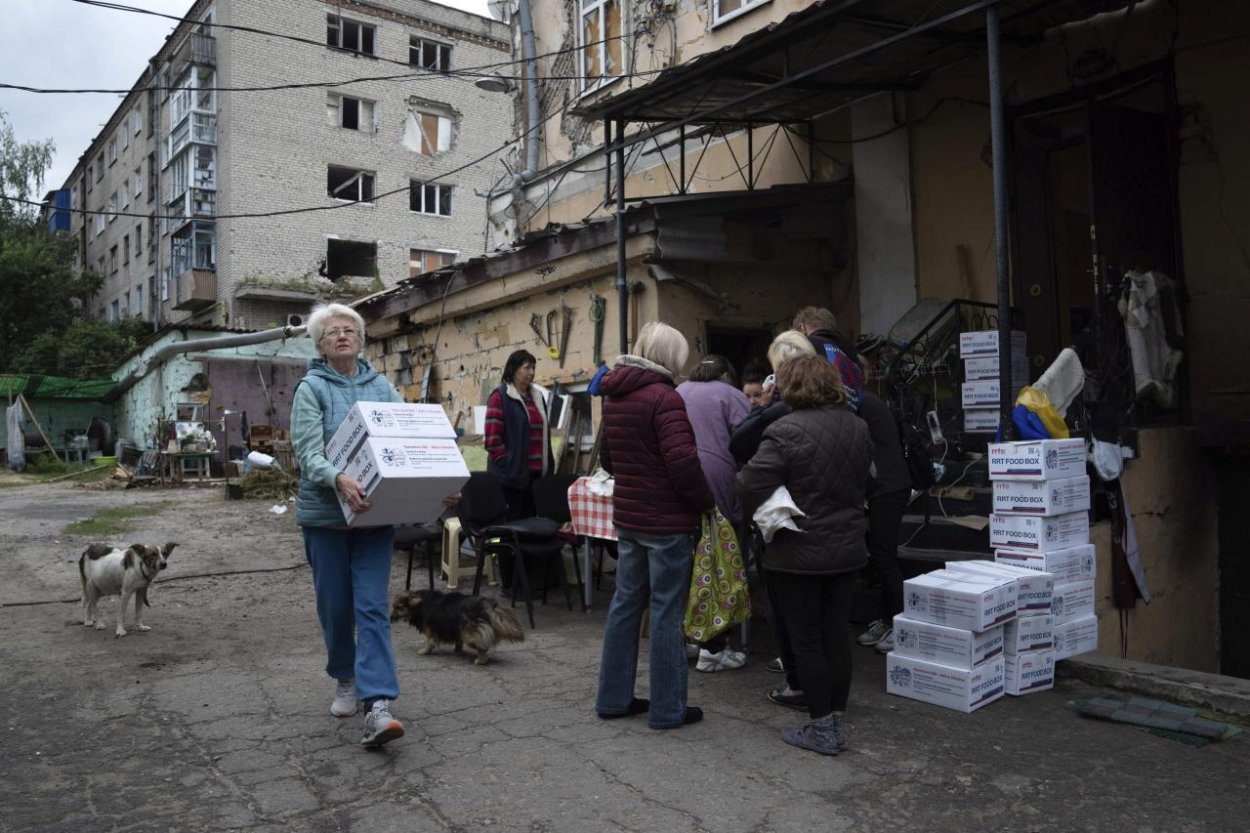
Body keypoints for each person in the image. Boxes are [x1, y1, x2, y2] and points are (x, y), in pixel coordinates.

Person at [738, 353, 873, 756]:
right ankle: (834, 715)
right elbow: (868, 479)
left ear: (788, 388)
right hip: (847, 548)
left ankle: (823, 729)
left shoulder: (785, 430)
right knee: (835, 635)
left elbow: (747, 483)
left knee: (806, 640)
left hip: (799, 550)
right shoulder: (857, 425)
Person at [291, 302, 406, 748]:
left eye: (349, 330)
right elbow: (307, 451)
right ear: (320, 345)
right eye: (332, 332)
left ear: (360, 338)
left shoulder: (381, 387)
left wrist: (437, 482)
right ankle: (345, 677)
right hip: (326, 519)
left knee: (373, 608)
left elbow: (409, 433)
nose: (342, 336)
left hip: (375, 516)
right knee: (336, 608)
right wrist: (338, 479)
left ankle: (378, 704)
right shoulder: (312, 388)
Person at [595, 321, 716, 730]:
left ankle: (613, 699)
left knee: (625, 606)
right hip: (667, 523)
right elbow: (683, 464)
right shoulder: (665, 398)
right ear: (669, 357)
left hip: (629, 520)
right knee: (666, 613)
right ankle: (668, 710)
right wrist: (705, 502)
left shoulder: (614, 396)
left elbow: (608, 459)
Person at [729, 331, 815, 704]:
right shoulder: (845, 411)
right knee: (820, 615)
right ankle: (826, 696)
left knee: (786, 605)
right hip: (830, 523)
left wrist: (765, 404)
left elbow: (741, 448)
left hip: (786, 522)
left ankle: (800, 685)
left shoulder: (782, 412)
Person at [677, 354, 751, 672]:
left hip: (679, 484)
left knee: (687, 565)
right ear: (724, 374)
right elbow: (750, 438)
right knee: (722, 567)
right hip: (719, 486)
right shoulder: (730, 394)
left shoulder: (677, 393)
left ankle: (689, 638)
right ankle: (715, 647)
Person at [853, 346, 913, 654]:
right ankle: (888, 619)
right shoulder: (867, 402)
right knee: (881, 555)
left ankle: (899, 624)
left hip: (888, 487)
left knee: (884, 556)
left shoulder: (862, 403)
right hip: (886, 487)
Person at [484, 349, 556, 590]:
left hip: (535, 477)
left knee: (531, 531)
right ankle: (510, 584)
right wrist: (509, 463)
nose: (531, 373)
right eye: (527, 367)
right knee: (510, 532)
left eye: (533, 368)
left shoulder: (538, 397)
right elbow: (492, 441)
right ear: (513, 370)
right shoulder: (500, 397)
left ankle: (531, 582)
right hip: (510, 480)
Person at [792, 306, 864, 410]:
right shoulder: (850, 348)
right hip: (853, 411)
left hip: (821, 410)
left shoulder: (807, 345)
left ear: (802, 327)